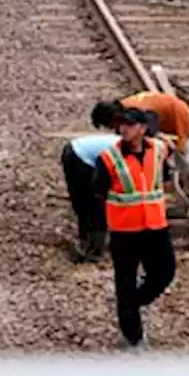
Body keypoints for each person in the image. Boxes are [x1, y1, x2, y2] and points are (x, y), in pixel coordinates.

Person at [92, 108, 177, 351]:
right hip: (125, 231)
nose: (123, 129)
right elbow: (98, 192)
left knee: (165, 272)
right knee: (125, 282)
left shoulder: (158, 150)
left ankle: (132, 304)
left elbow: (164, 178)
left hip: (155, 227)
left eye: (129, 125)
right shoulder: (109, 158)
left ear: (142, 128)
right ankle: (133, 337)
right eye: (121, 125)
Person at [92, 92, 189, 214]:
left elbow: (153, 142)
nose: (113, 128)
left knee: (186, 158)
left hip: (179, 117)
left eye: (110, 125)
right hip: (163, 120)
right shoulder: (127, 111)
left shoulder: (142, 114)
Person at [61, 106, 124, 263]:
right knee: (96, 203)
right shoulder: (133, 151)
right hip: (81, 158)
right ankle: (94, 247)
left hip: (73, 149)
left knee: (83, 200)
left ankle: (86, 238)